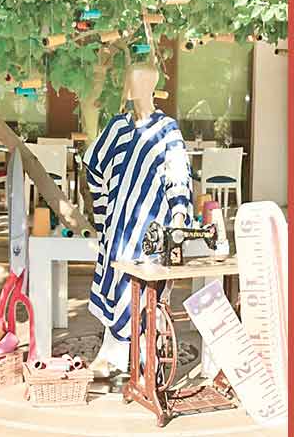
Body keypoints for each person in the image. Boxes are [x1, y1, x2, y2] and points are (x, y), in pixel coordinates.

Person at [82, 62, 193, 376]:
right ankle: (114, 354)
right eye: (129, 80)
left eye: (136, 81)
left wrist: (179, 215)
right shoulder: (118, 127)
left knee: (145, 293)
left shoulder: (166, 128)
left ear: (150, 86)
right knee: (117, 285)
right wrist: (104, 211)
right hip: (119, 225)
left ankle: (144, 360)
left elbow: (178, 174)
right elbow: (94, 165)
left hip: (151, 225)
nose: (130, 87)